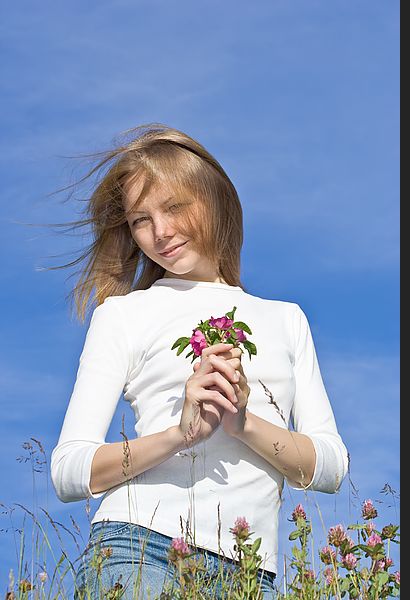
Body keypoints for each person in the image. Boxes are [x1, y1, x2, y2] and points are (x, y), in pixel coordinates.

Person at [50, 123, 349, 599]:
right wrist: (178, 436)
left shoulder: (286, 320)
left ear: (214, 200)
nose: (160, 232)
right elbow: (70, 471)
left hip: (253, 572)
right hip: (140, 551)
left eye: (173, 208)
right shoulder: (123, 314)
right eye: (139, 220)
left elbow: (329, 467)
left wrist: (242, 423)